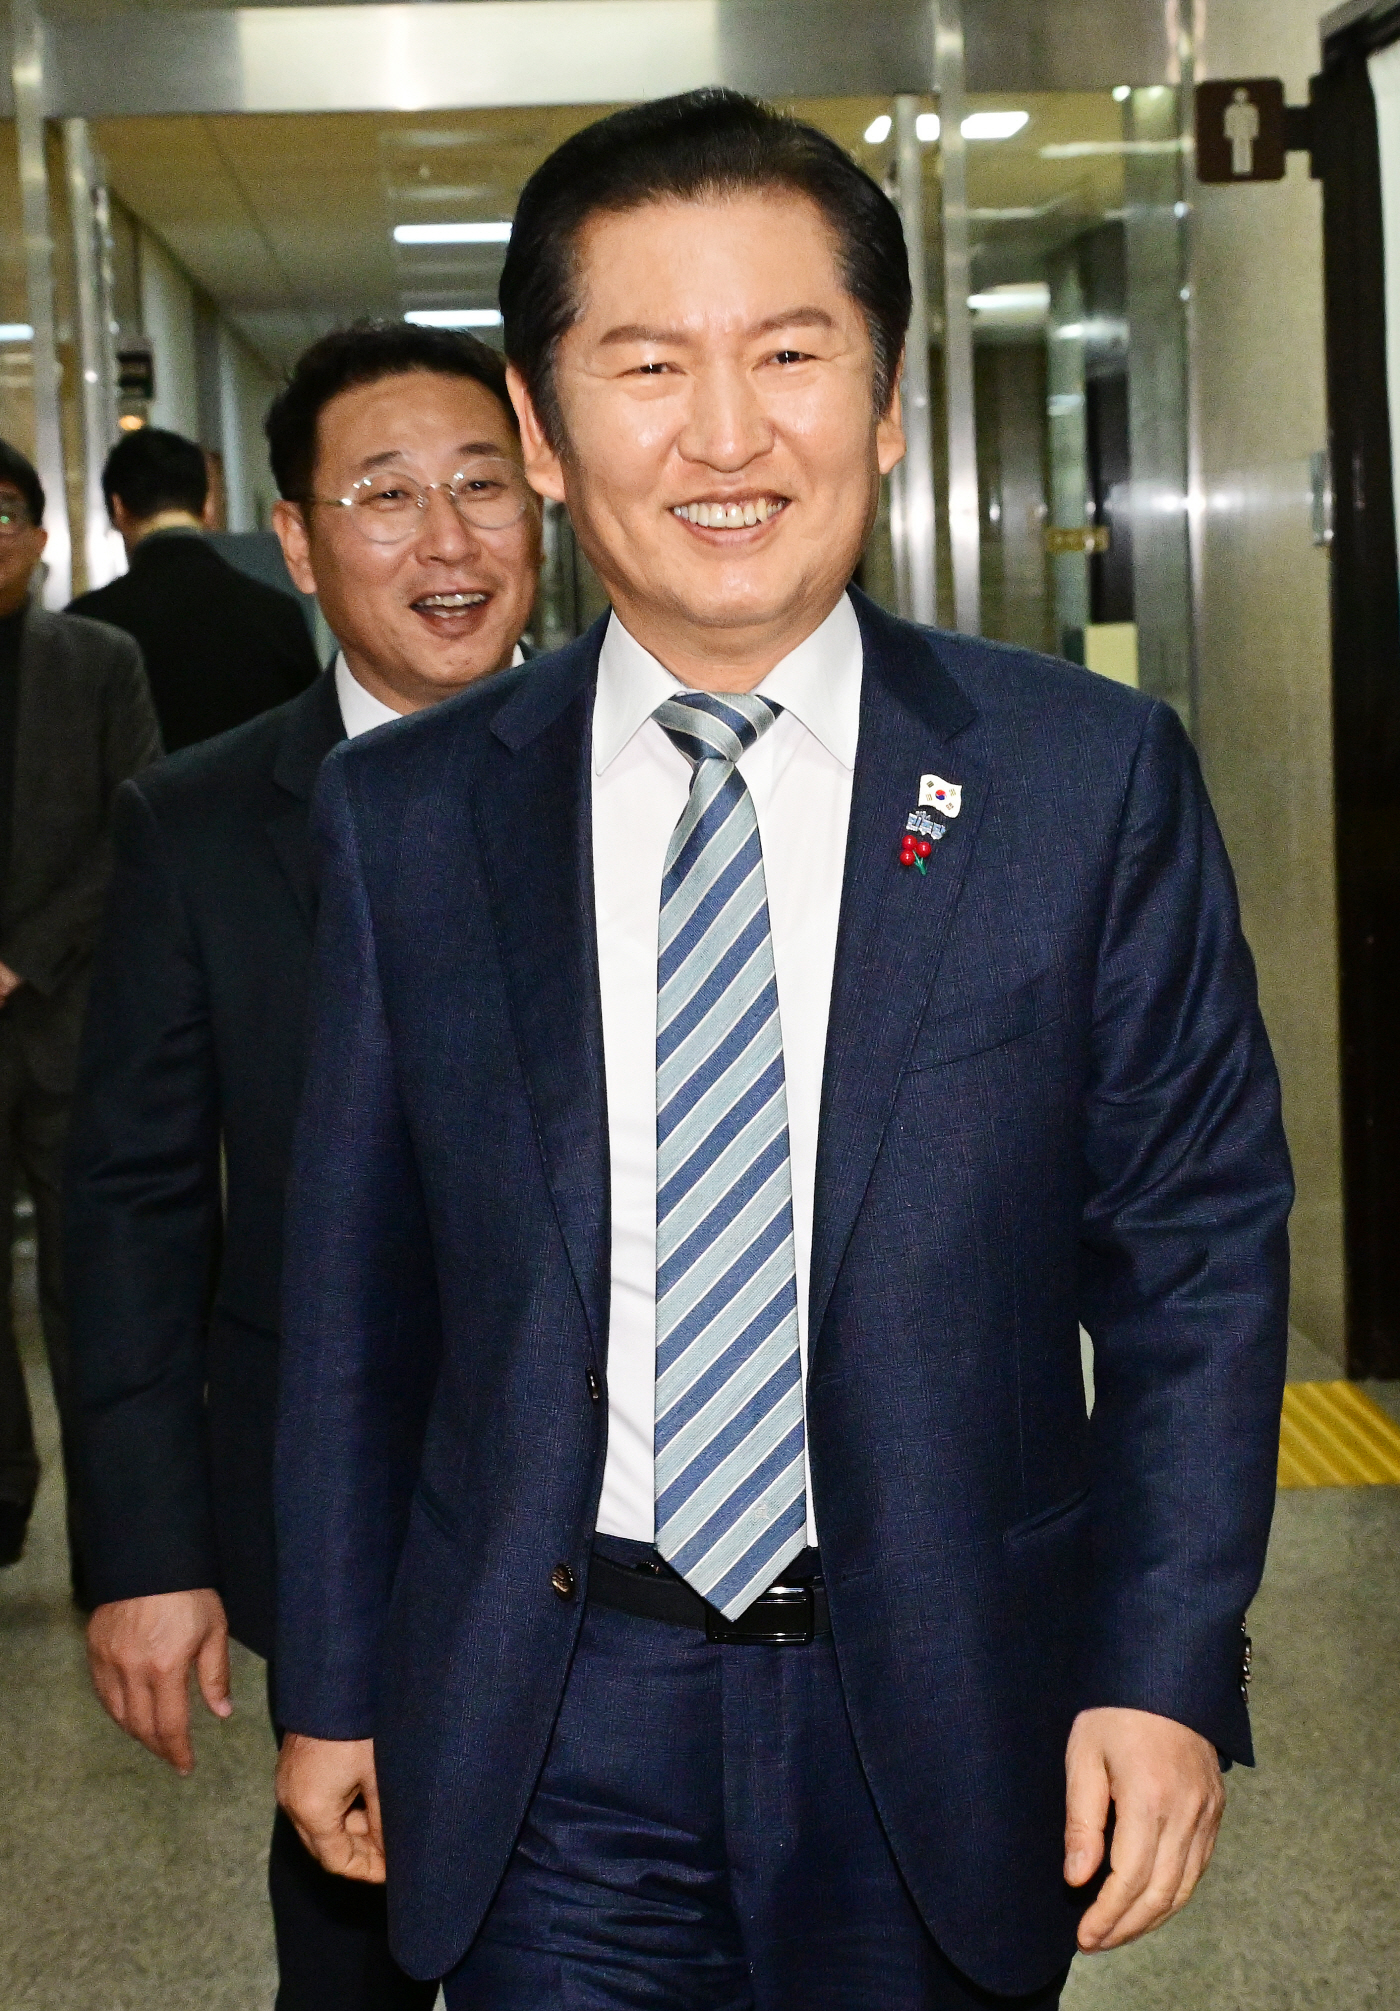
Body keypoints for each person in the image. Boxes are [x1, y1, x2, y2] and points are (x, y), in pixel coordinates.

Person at [273, 92, 1292, 2010]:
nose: (728, 435)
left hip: (956, 1699)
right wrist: (331, 1679)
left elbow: (1197, 1264)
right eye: (650, 366)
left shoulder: (1081, 780)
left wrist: (1165, 1669)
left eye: (794, 355)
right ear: (546, 430)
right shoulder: (408, 817)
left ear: (887, 403)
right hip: (552, 1709)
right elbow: (351, 1296)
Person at [65, 323, 541, 2011]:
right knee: (355, 1931)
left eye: (484, 485)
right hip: (348, 1500)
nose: (447, 539)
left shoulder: (668, 770)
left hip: (636, 1500)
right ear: (296, 537)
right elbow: (129, 1197)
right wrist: (145, 1547)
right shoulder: (199, 823)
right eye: (387, 496)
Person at [0, 438, 160, 1589]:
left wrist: (22, 959)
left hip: (69, 1020)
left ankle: (118, 1539)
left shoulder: (99, 660)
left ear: (42, 535)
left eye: (1, 513)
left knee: (88, 1289)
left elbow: (133, 827)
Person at [68, 426, 319, 751]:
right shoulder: (276, 613)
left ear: (118, 509)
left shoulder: (86, 625)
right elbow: (314, 739)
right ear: (207, 508)